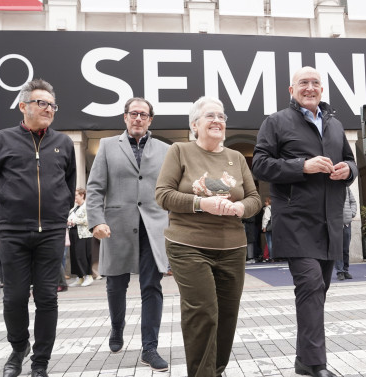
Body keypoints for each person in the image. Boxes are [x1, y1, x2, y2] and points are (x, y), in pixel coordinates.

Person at [252, 66, 357, 377]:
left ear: (322, 90)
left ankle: (304, 360)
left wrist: (347, 172)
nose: (310, 87)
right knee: (311, 286)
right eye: (303, 83)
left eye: (315, 83)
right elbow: (260, 164)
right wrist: (303, 166)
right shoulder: (276, 122)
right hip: (296, 221)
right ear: (291, 90)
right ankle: (315, 365)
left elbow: (352, 161)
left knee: (319, 290)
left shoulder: (335, 125)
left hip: (329, 221)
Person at [156, 96, 262, 377]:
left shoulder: (236, 158)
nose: (218, 120)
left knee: (227, 316)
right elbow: (162, 195)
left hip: (233, 246)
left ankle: (216, 370)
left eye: (222, 116)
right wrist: (202, 203)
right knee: (203, 313)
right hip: (188, 246)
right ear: (194, 125)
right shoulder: (179, 151)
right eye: (210, 116)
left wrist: (240, 207)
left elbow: (254, 198)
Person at [0, 78, 76, 377]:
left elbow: (69, 183)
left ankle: (40, 363)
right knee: (14, 297)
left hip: (50, 232)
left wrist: (59, 214)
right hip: (13, 232)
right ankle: (18, 346)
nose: (49, 109)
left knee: (48, 297)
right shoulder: (2, 139)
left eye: (52, 105)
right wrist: (8, 216)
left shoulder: (63, 143)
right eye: (42, 103)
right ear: (23, 106)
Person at [86, 97, 170, 371]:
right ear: (125, 117)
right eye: (133, 114)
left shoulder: (165, 150)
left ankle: (150, 347)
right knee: (115, 285)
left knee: (151, 286)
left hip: (153, 228)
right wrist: (96, 221)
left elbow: (170, 190)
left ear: (150, 120)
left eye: (143, 115)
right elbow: (95, 188)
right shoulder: (109, 146)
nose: (138, 119)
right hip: (116, 227)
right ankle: (117, 327)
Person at [67, 188, 94, 287]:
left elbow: (88, 220)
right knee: (74, 255)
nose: (75, 198)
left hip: (84, 235)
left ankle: (88, 276)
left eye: (76, 195)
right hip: (74, 233)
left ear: (82, 195)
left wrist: (75, 221)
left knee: (82, 255)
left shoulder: (87, 206)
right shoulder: (75, 207)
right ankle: (80, 277)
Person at [335, 186, 357, 280]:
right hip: (335, 223)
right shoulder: (329, 188)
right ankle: (340, 271)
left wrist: (352, 213)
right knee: (337, 249)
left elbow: (353, 202)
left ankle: (345, 270)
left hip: (347, 222)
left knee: (345, 249)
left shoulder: (346, 187)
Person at [261, 196, 272, 261]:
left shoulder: (268, 209)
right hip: (275, 227)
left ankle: (271, 256)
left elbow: (266, 218)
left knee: (269, 242)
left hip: (269, 227)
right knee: (273, 242)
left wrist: (264, 227)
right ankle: (275, 256)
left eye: (266, 201)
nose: (265, 203)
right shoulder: (275, 208)